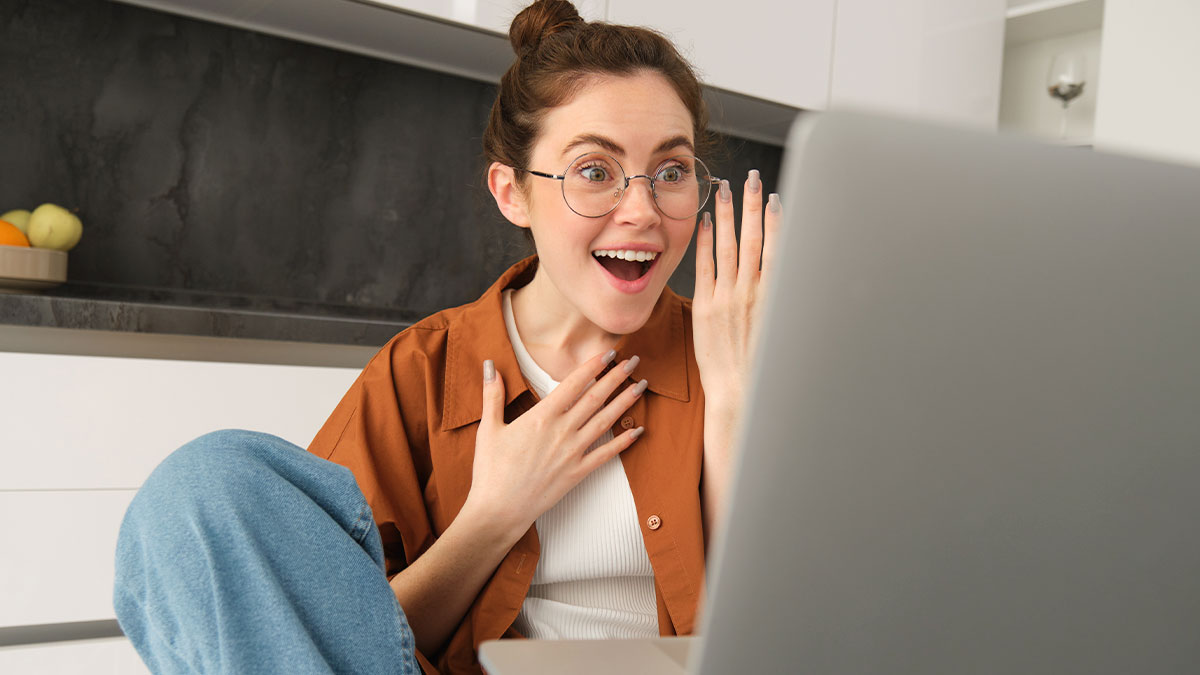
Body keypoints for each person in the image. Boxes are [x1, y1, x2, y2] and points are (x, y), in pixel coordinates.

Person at [113, 1, 781, 673]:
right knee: (199, 487)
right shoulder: (421, 371)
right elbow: (336, 640)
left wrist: (730, 403)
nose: (641, 211)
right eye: (594, 171)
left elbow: (787, 635)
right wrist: (494, 515)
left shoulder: (747, 357)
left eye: (670, 172)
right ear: (512, 192)